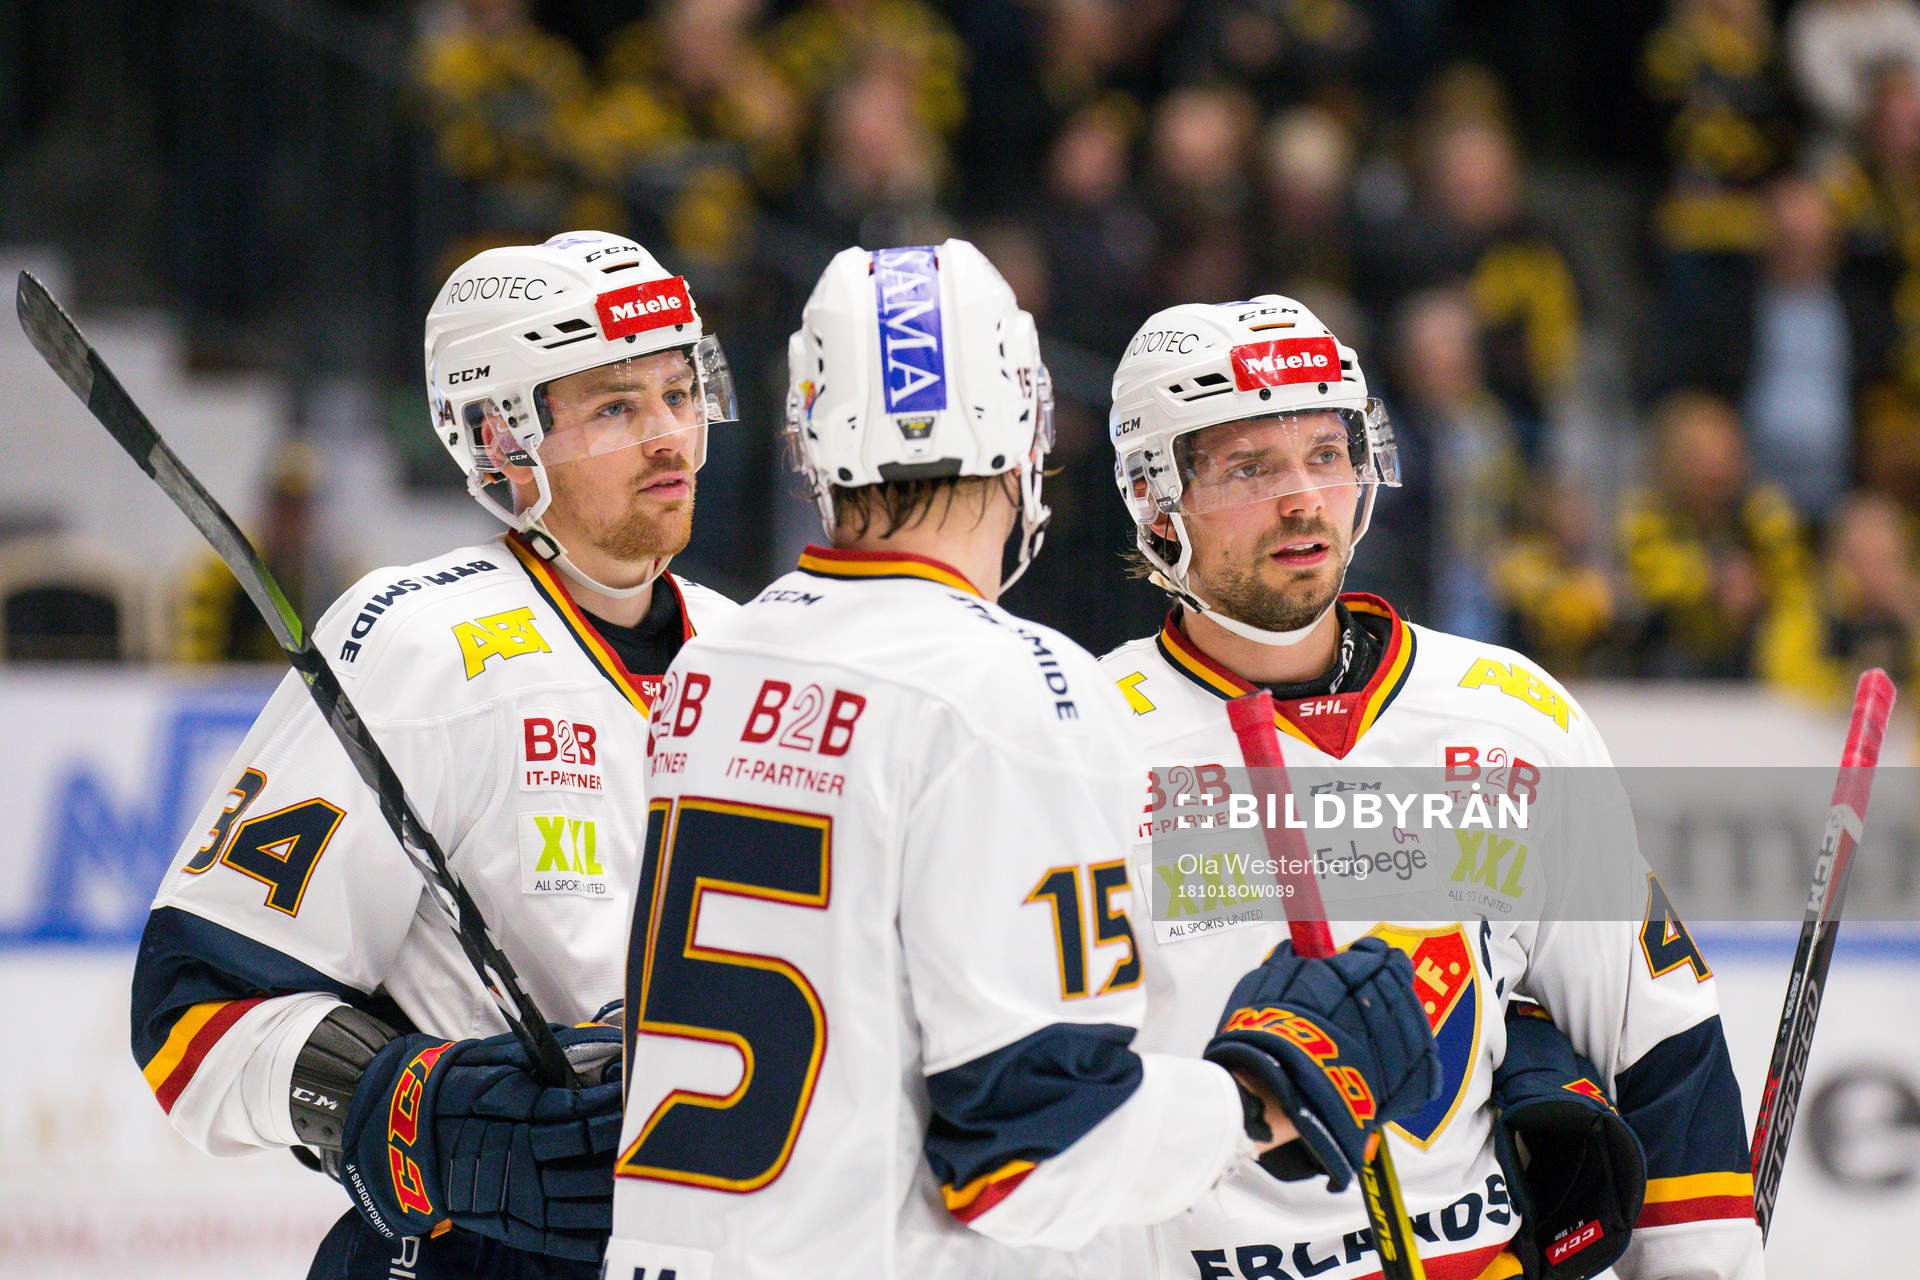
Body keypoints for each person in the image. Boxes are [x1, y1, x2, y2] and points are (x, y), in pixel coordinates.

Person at [603, 241, 1440, 1280]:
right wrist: (1258, 1098)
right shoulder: (1014, 686)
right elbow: (1037, 1156)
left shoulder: (713, 659)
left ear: (809, 424)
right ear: (1025, 419)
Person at [1096, 296, 1762, 1279]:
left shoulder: (1506, 716)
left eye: (1326, 453)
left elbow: (1657, 1043)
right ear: (1159, 500)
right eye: (1250, 467)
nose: (1303, 499)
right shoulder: (1085, 741)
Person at [129, 230, 740, 1278]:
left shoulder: (757, 653)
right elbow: (195, 1010)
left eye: (681, 392)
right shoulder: (417, 643)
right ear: (503, 440)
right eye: (613, 406)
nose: (669, 435)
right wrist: (423, 1118)